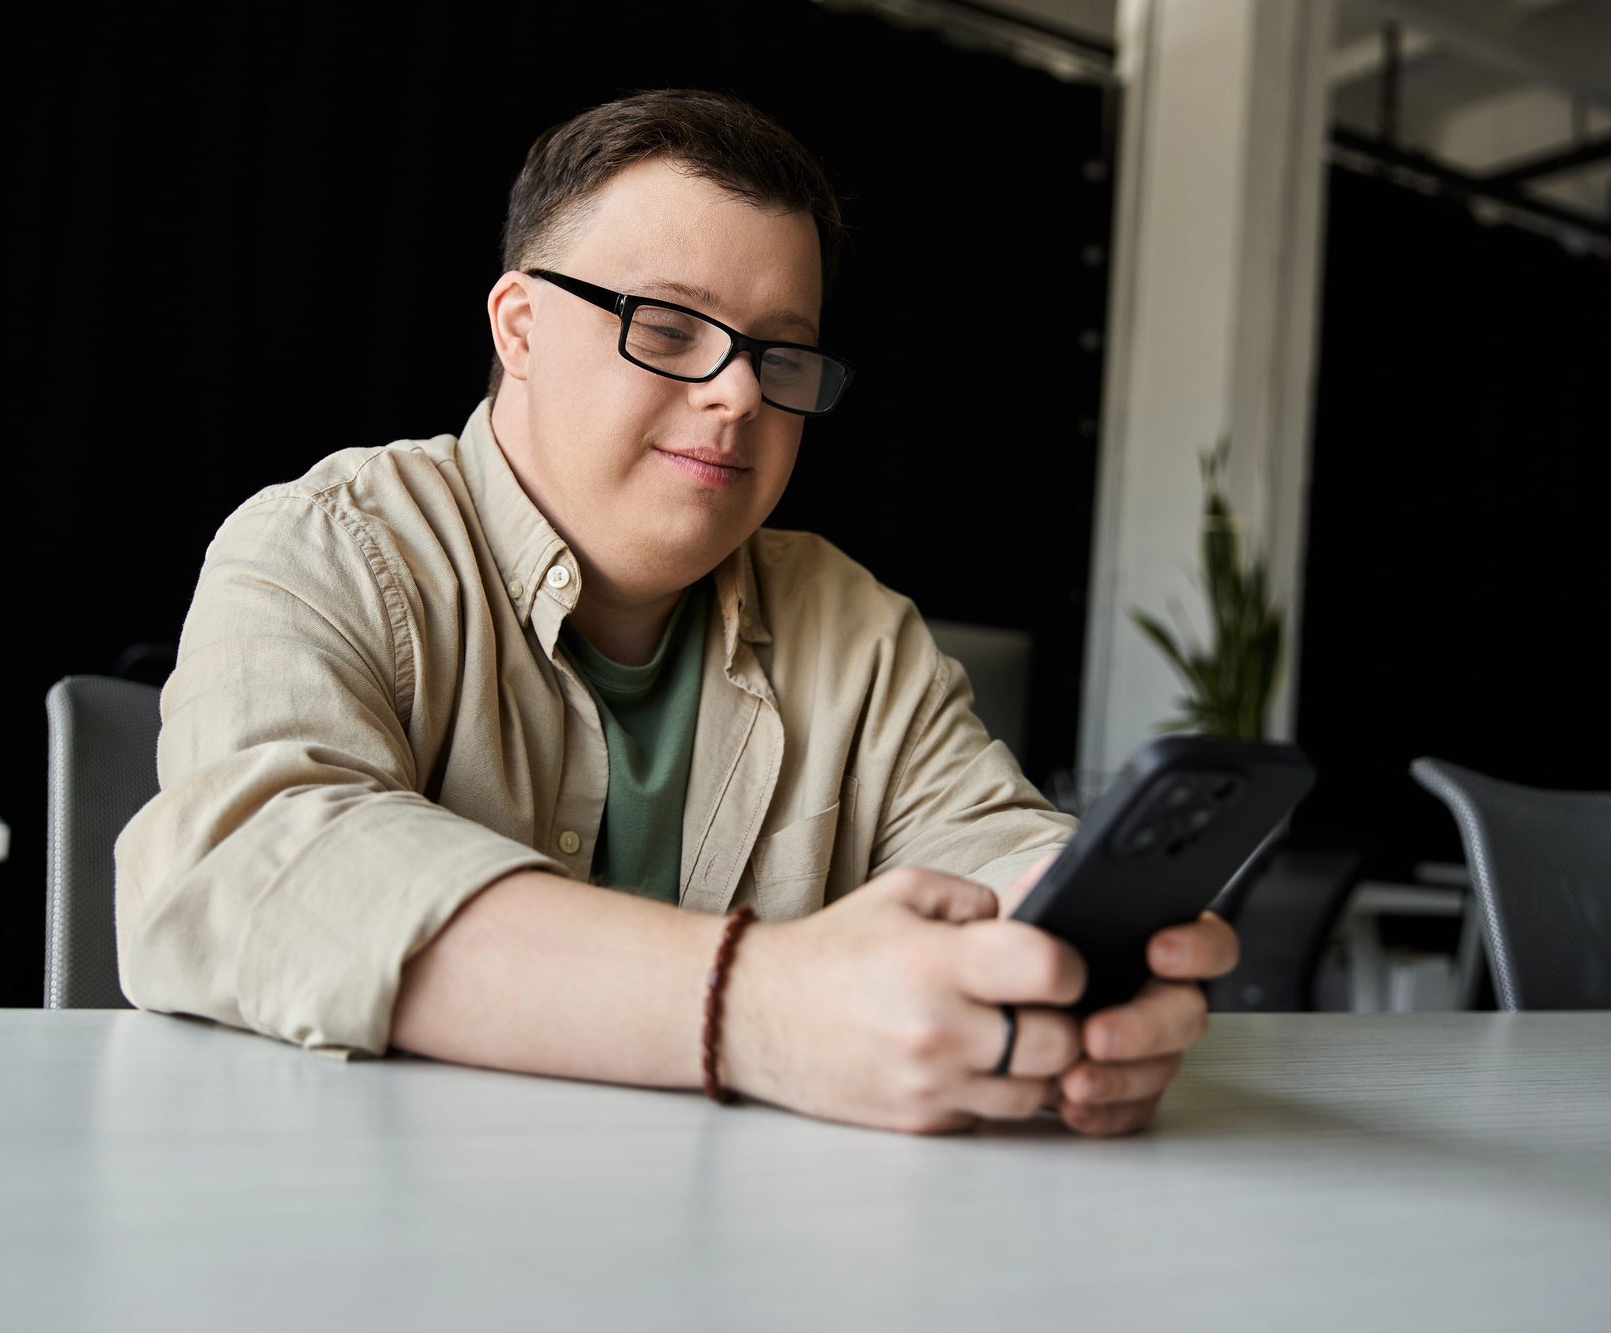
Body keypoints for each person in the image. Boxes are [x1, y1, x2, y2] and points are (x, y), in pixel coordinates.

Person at [116, 89, 1237, 1135]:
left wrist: (1060, 981)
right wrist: (761, 1006)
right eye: (664, 327)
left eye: (780, 352)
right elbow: (248, 867)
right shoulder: (325, 541)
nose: (738, 392)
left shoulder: (853, 627)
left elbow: (992, 849)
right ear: (516, 327)